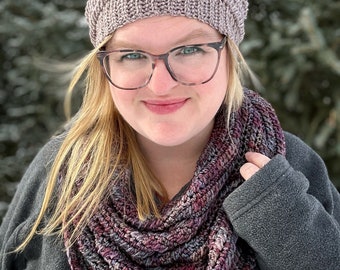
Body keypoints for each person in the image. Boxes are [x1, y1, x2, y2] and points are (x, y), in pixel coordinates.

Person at [1, 0, 340, 269]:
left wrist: (293, 234)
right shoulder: (60, 175)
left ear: (229, 55)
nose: (161, 85)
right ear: (104, 66)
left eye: (189, 50)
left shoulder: (288, 167)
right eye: (132, 55)